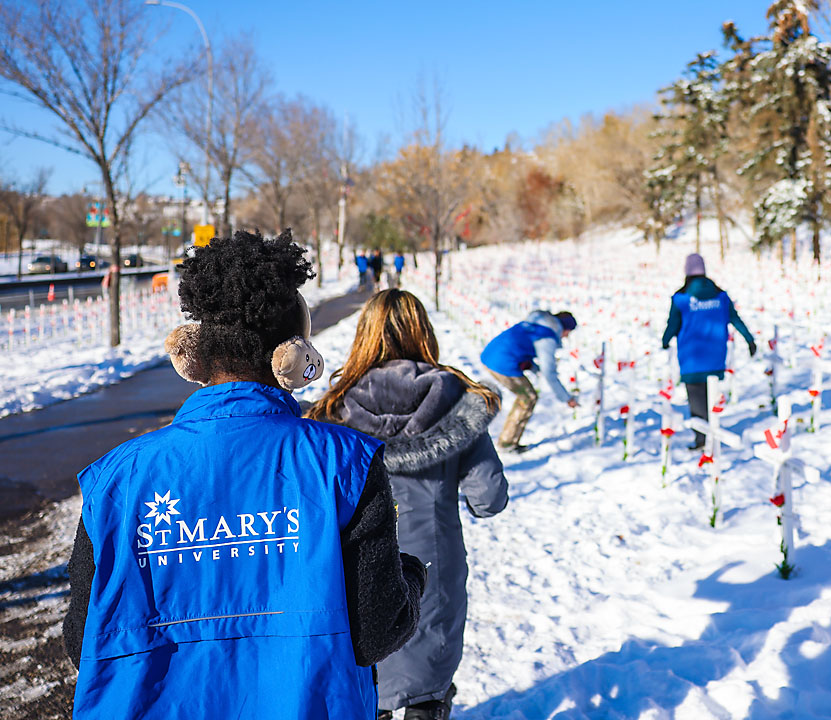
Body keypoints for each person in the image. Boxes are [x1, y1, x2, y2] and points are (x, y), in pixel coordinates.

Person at [63, 230, 426, 719]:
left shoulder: (115, 480)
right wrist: (411, 576)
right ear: (293, 358)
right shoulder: (343, 464)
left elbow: (81, 637)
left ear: (192, 353)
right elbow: (378, 627)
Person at [307, 289, 507, 720]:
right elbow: (488, 498)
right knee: (427, 693)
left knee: (365, 685)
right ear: (424, 332)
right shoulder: (456, 399)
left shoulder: (333, 408)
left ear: (364, 335)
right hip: (434, 567)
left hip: (352, 574)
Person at [662, 253, 756, 449]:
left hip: (691, 357)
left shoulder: (681, 298)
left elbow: (673, 324)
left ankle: (702, 438)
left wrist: (664, 340)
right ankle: (711, 433)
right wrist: (750, 340)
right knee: (711, 394)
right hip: (715, 356)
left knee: (696, 399)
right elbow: (735, 319)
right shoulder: (721, 296)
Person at [480, 309, 578, 451]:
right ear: (565, 329)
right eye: (569, 333)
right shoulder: (546, 338)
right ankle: (507, 443)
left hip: (491, 355)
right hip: (502, 363)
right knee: (528, 397)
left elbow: (522, 347)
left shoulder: (537, 323)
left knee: (527, 396)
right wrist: (567, 398)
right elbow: (549, 372)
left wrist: (533, 367)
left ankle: (508, 441)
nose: (566, 336)